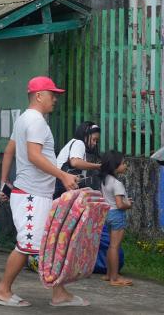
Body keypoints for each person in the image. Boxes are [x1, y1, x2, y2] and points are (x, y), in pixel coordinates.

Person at [0, 77, 84, 308]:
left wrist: (5, 182)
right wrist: (62, 175)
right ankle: (2, 290)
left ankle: (59, 293)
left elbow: (11, 150)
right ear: (39, 95)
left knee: (45, 244)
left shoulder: (24, 119)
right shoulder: (36, 121)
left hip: (33, 192)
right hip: (31, 195)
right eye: (52, 94)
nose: (55, 99)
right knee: (27, 245)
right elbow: (34, 156)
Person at [100, 150, 134, 287]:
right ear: (115, 166)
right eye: (123, 163)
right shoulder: (117, 183)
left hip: (108, 214)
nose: (125, 165)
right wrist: (129, 204)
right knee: (115, 246)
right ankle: (115, 278)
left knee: (110, 246)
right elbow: (120, 205)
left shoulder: (105, 180)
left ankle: (109, 274)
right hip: (117, 215)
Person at [54, 121, 102, 197]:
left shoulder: (74, 143)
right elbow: (75, 162)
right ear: (85, 135)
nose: (95, 143)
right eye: (93, 139)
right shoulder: (79, 143)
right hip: (62, 184)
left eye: (97, 141)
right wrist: (98, 166)